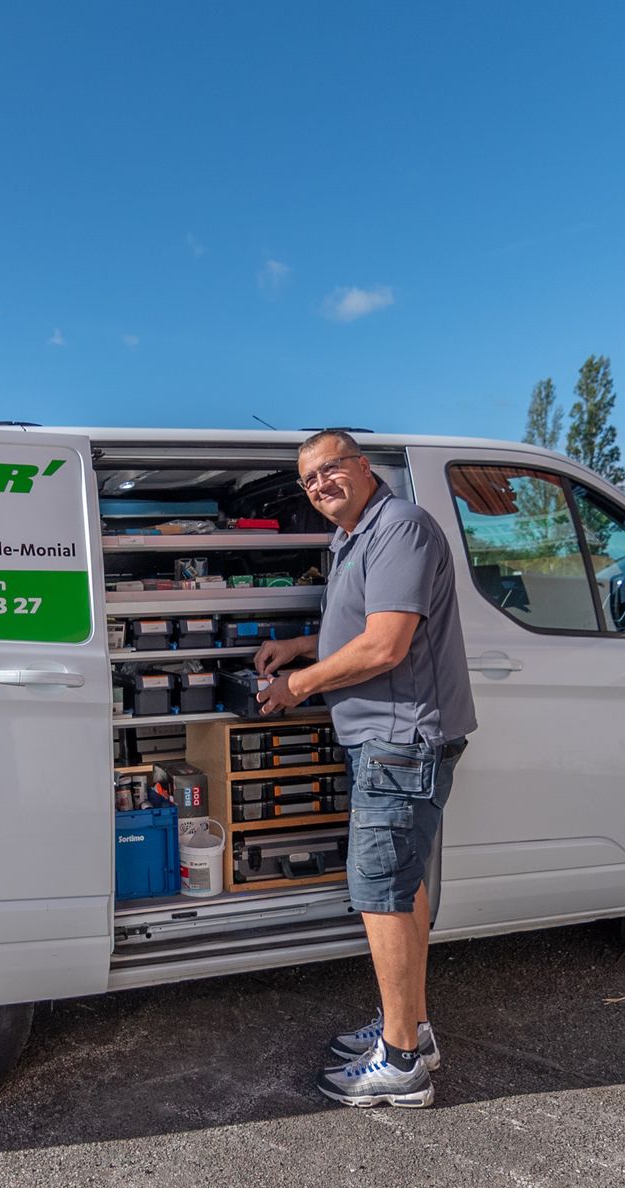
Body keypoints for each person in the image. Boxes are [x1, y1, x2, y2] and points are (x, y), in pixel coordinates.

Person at [254, 429, 477, 1108]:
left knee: (380, 890)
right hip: (384, 739)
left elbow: (384, 645)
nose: (321, 485)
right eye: (310, 480)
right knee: (402, 884)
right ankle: (411, 1028)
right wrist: (299, 644)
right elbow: (358, 622)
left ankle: (402, 1064)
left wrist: (299, 686)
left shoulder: (399, 527)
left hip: (399, 740)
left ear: (363, 466)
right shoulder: (352, 535)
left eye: (331, 469)